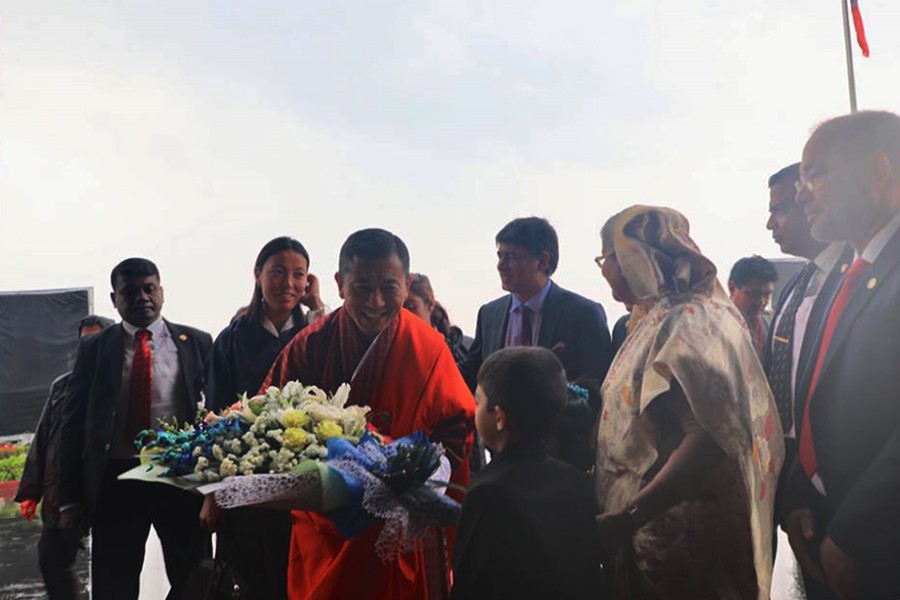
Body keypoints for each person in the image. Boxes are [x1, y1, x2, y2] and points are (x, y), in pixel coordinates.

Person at [261, 228, 475, 600]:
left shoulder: (429, 348)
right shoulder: (309, 346)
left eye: (389, 288)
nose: (375, 302)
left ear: (406, 286)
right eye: (361, 287)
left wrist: (416, 474)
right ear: (340, 284)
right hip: (325, 521)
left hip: (400, 523)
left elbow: (457, 427)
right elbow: (268, 412)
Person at [594, 206, 783, 599]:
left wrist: (629, 517)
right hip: (663, 528)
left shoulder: (686, 323)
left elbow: (708, 438)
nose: (604, 269)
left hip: (677, 540)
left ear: (632, 256)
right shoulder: (666, 313)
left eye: (605, 257)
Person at [784, 111, 900, 599]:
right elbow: (817, 392)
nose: (801, 193)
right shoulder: (842, 271)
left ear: (878, 171)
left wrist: (855, 531)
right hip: (825, 529)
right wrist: (801, 493)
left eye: (816, 174)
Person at [56, 258, 213, 600]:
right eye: (130, 291)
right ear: (114, 299)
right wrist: (68, 500)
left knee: (195, 581)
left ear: (161, 292)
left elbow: (214, 416)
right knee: (114, 583)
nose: (142, 297)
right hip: (117, 481)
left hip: (180, 478)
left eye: (149, 288)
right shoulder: (94, 349)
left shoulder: (197, 343)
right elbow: (72, 425)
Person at [202, 236, 327, 599]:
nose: (287, 284)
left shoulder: (316, 336)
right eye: (277, 272)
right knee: (256, 580)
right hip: (248, 484)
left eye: (298, 275)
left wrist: (317, 307)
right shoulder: (230, 340)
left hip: (305, 484)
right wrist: (212, 494)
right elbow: (216, 416)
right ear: (257, 275)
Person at [451, 347, 604, 600]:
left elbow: (470, 583)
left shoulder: (487, 492)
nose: (474, 409)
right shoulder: (573, 479)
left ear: (499, 417)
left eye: (479, 402)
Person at [763, 163, 850, 539]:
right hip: (792, 467)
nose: (771, 224)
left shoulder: (857, 277)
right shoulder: (795, 284)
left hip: (844, 472)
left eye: (779, 210)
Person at [461, 216, 613, 413]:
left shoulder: (583, 314)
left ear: (543, 261)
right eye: (500, 256)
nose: (501, 265)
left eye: (511, 257)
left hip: (555, 439)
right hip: (496, 438)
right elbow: (471, 375)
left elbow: (598, 386)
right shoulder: (489, 314)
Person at [15, 314, 114, 600]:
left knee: (113, 565)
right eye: (85, 343)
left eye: (95, 341)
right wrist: (32, 491)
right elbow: (45, 435)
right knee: (51, 559)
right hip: (64, 489)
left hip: (108, 487)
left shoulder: (123, 385)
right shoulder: (63, 385)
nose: (90, 348)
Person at [404, 272, 468, 367]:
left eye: (411, 307)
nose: (405, 315)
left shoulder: (462, 349)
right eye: (400, 310)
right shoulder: (393, 353)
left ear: (430, 304)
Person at [728, 254, 778, 361]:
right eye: (754, 294)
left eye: (767, 294)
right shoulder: (716, 325)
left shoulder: (773, 323)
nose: (761, 302)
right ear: (732, 288)